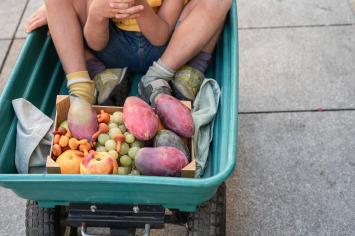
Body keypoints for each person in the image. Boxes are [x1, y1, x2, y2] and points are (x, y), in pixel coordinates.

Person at [26, 0, 232, 105]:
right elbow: (96, 43)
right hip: (111, 49)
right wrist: (97, 14)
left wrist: (140, 5)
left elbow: (160, 35)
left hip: (169, 50)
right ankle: (83, 87)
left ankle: (158, 77)